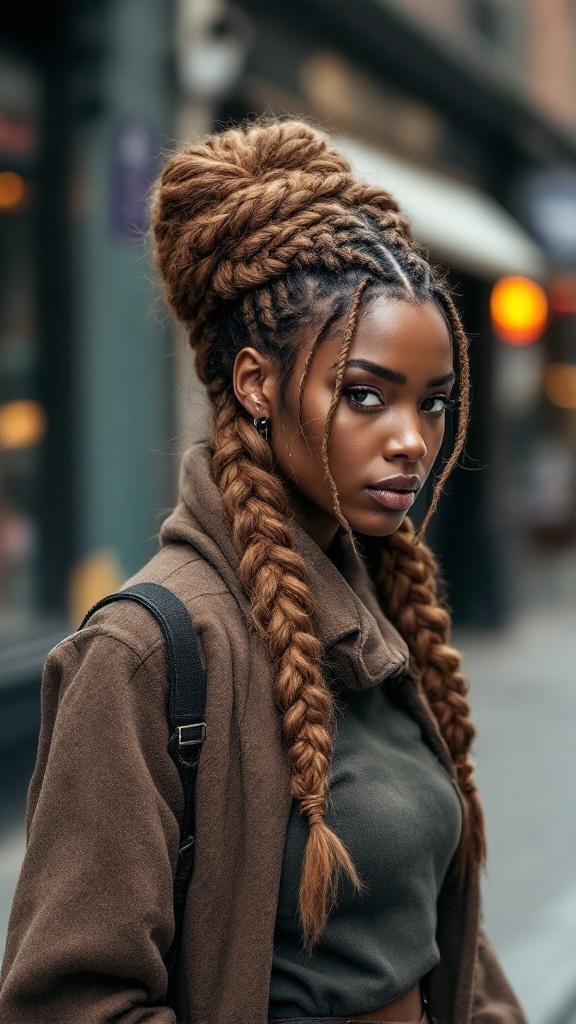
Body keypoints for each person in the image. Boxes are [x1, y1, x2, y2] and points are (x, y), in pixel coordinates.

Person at [0, 118, 526, 1024]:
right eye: (365, 394)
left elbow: (441, 935)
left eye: (433, 403)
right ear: (254, 383)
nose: (412, 440)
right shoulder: (144, 653)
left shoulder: (379, 618)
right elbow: (69, 1001)